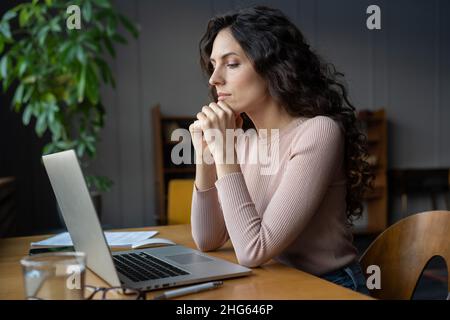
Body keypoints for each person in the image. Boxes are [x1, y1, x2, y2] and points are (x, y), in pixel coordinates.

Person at [188, 6, 372, 295]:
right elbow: (207, 239)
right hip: (275, 283)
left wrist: (224, 151)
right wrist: (206, 154)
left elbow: (253, 250)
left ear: (273, 68)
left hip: (330, 287)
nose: (214, 79)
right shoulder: (244, 141)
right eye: (213, 65)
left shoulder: (318, 132)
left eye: (232, 63)